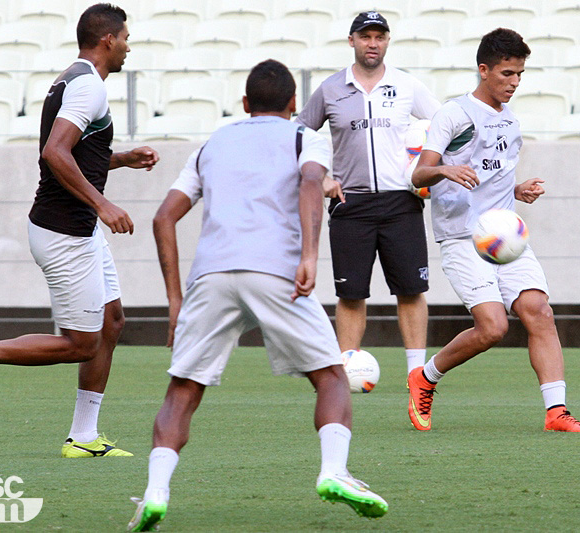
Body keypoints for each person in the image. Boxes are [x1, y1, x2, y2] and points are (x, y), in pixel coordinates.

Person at [127, 60, 388, 532]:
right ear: (294, 106)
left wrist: (174, 300)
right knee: (331, 375)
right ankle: (334, 471)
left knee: (183, 389)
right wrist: (310, 254)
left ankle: (155, 493)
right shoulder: (303, 137)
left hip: (212, 276)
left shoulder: (213, 144)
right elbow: (311, 182)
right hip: (276, 272)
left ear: (245, 106)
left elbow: (163, 217)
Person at [0, 3, 161, 456]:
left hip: (78, 229)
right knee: (81, 343)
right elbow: (54, 153)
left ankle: (83, 436)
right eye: (126, 39)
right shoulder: (87, 87)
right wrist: (103, 203)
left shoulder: (73, 79)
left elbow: (72, 151)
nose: (129, 48)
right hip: (65, 232)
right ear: (108, 40)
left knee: (112, 322)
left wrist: (120, 159)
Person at [410, 28, 580, 433]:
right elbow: (419, 173)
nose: (514, 83)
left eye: (519, 75)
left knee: (539, 312)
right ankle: (425, 377)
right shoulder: (454, 114)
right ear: (484, 70)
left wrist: (517, 190)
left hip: (505, 234)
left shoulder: (510, 121)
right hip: (463, 236)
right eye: (507, 73)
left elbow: (490, 178)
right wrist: (444, 168)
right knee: (493, 327)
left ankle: (557, 412)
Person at [295, 11, 441, 421]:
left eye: (379, 36)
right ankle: (345, 376)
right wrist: (321, 179)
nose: (372, 43)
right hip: (351, 204)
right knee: (351, 294)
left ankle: (418, 378)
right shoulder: (330, 89)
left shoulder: (407, 86)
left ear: (388, 41)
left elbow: (447, 125)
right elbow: (297, 135)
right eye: (365, 36)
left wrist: (429, 166)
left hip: (401, 202)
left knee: (411, 290)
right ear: (352, 41)